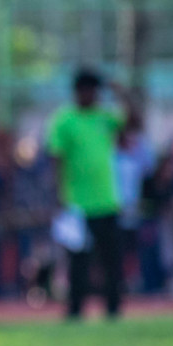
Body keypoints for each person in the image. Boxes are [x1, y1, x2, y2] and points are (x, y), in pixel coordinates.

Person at [46, 67, 138, 320]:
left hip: (107, 201)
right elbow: (57, 159)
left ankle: (113, 310)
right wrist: (60, 196)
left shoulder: (103, 117)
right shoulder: (64, 120)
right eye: (90, 90)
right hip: (77, 203)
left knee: (112, 261)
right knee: (79, 263)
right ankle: (75, 310)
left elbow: (134, 124)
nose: (94, 95)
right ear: (78, 92)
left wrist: (124, 96)